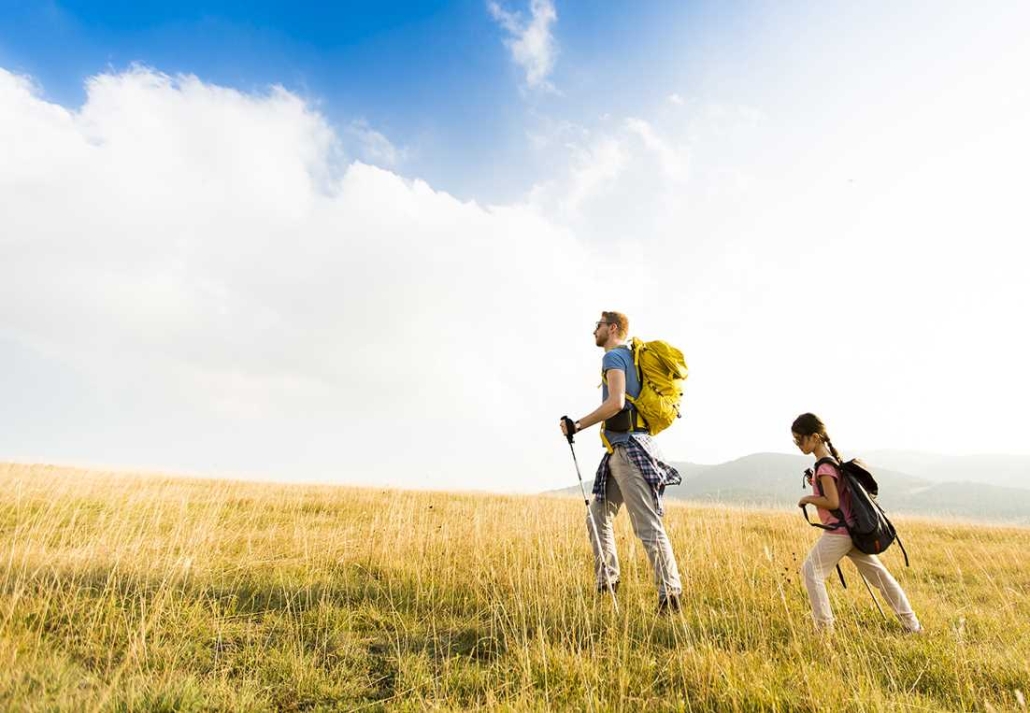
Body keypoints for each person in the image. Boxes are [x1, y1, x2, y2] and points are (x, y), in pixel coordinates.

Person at [560, 311, 683, 612]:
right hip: (623, 449)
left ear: (612, 328)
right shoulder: (631, 358)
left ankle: (671, 596)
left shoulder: (613, 357)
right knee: (597, 515)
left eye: (598, 325)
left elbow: (616, 403)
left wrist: (577, 425)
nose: (594, 330)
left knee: (647, 525)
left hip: (629, 449)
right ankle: (607, 582)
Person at [792, 412, 922, 633]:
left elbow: (832, 502)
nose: (798, 445)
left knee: (811, 572)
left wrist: (808, 498)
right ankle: (912, 624)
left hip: (838, 533)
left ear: (814, 437)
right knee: (880, 576)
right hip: (854, 532)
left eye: (800, 439)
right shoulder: (833, 462)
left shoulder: (824, 466)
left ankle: (824, 630)